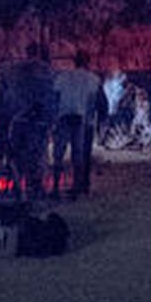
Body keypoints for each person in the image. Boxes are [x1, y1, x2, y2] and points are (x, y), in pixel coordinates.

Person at [1, 43, 57, 199]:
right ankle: (35, 188)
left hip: (18, 120)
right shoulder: (46, 71)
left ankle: (18, 187)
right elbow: (50, 96)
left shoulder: (15, 71)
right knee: (37, 155)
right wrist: (50, 120)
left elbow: (8, 93)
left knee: (19, 155)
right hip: (38, 121)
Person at [51, 50, 102, 198]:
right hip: (80, 117)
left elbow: (56, 95)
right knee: (77, 154)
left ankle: (55, 186)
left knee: (58, 153)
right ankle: (77, 186)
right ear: (88, 62)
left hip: (63, 115)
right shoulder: (92, 79)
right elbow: (94, 101)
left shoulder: (63, 76)